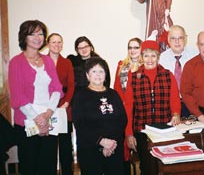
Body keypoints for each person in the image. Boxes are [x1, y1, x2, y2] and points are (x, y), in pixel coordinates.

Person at [8, 20, 63, 175]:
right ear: (24, 37)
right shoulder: (16, 62)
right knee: (30, 168)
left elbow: (57, 89)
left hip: (49, 120)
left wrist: (48, 114)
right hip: (27, 123)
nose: (38, 37)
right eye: (32, 33)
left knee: (48, 166)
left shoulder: (47, 61)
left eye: (40, 33)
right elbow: (18, 96)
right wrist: (39, 120)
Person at [125, 40, 181, 173]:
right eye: (146, 56)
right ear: (141, 57)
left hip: (164, 128)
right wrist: (129, 133)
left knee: (165, 166)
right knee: (147, 167)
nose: (149, 59)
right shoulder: (133, 78)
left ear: (158, 57)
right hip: (142, 130)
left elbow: (174, 99)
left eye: (153, 55)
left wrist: (176, 114)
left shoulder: (168, 75)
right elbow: (128, 107)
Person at [72, 57, 127, 175]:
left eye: (101, 71)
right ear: (87, 75)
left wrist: (111, 144)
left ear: (106, 74)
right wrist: (101, 141)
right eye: (94, 71)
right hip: (90, 149)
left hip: (114, 147)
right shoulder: (80, 96)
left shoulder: (113, 94)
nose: (98, 75)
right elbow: (80, 124)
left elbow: (122, 120)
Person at [113, 37, 143, 175]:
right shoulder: (122, 66)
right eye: (130, 47)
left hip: (141, 111)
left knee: (142, 148)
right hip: (125, 111)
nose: (133, 50)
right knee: (124, 148)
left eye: (136, 47)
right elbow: (116, 89)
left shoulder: (145, 65)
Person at [47, 33, 75, 175]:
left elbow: (71, 85)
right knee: (49, 146)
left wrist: (67, 103)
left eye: (59, 42)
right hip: (47, 108)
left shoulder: (67, 62)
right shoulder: (41, 61)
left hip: (64, 107)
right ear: (48, 44)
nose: (57, 45)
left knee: (65, 145)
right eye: (53, 42)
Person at [159, 25, 198, 117]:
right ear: (168, 40)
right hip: (169, 105)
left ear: (185, 39)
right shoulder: (161, 59)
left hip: (192, 103)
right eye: (173, 38)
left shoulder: (196, 55)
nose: (177, 42)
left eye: (180, 38)